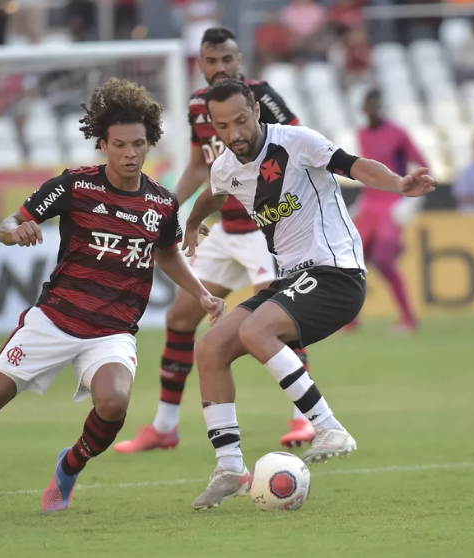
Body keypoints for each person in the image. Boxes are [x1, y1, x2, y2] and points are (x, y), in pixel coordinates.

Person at [0, 78, 226, 524]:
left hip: (111, 330)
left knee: (113, 404)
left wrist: (201, 293)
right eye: (120, 144)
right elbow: (8, 224)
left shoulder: (161, 203)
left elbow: (166, 252)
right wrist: (17, 232)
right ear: (102, 143)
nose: (130, 153)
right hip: (53, 320)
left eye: (140, 144)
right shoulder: (72, 186)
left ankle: (69, 465)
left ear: (150, 143)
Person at [183, 79, 435, 509]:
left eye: (241, 121)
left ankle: (328, 425)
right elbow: (212, 193)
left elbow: (354, 165)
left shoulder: (297, 143)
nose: (235, 134)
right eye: (223, 126)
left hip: (337, 273)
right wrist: (191, 224)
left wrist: (396, 184)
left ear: (257, 113)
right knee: (209, 347)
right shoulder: (225, 166)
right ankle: (229, 467)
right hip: (291, 282)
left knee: (257, 330)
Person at [114, 27, 315, 455]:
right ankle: (166, 426)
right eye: (211, 60)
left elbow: (304, 149)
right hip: (225, 232)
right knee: (181, 319)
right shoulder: (196, 107)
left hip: (268, 231)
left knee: (279, 322)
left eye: (227, 59)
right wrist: (169, 209)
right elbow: (196, 167)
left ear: (239, 59)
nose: (219, 67)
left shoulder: (262, 97)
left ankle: (306, 419)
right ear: (200, 64)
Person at [345, 89, 428, 334]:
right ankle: (351, 319)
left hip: (391, 206)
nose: (375, 111)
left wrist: (410, 202)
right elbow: (368, 173)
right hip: (369, 205)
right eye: (371, 106)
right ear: (364, 110)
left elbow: (422, 164)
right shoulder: (361, 134)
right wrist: (361, 202)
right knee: (350, 263)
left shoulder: (398, 134)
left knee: (383, 259)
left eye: (378, 106)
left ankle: (409, 318)